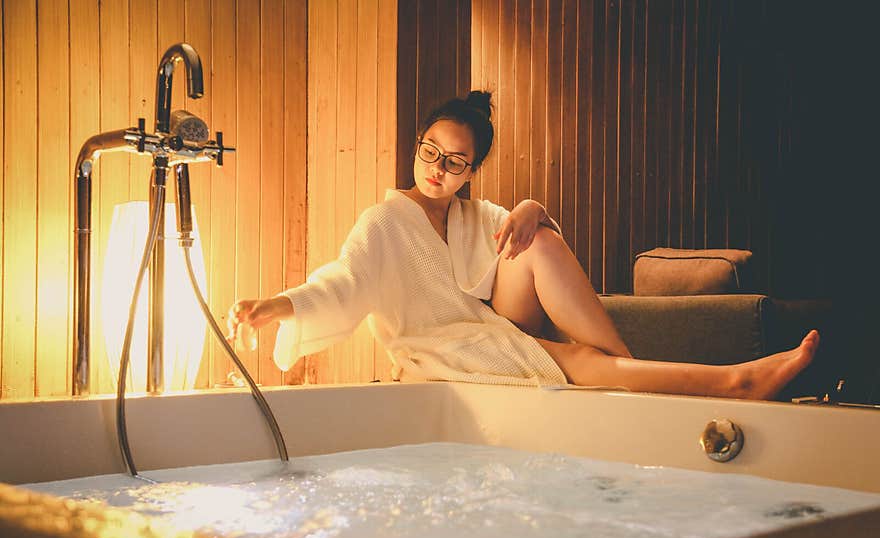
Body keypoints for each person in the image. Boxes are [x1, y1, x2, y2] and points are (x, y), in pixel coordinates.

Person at [227, 90, 819, 400]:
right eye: (430, 152)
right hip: (441, 346)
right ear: (418, 146)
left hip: (492, 323)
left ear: (471, 169)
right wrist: (279, 305)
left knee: (536, 239)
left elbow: (530, 251)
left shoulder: (472, 215)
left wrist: (533, 209)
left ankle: (630, 373)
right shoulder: (385, 219)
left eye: (456, 162)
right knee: (582, 362)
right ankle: (736, 381)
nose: (437, 168)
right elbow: (345, 280)